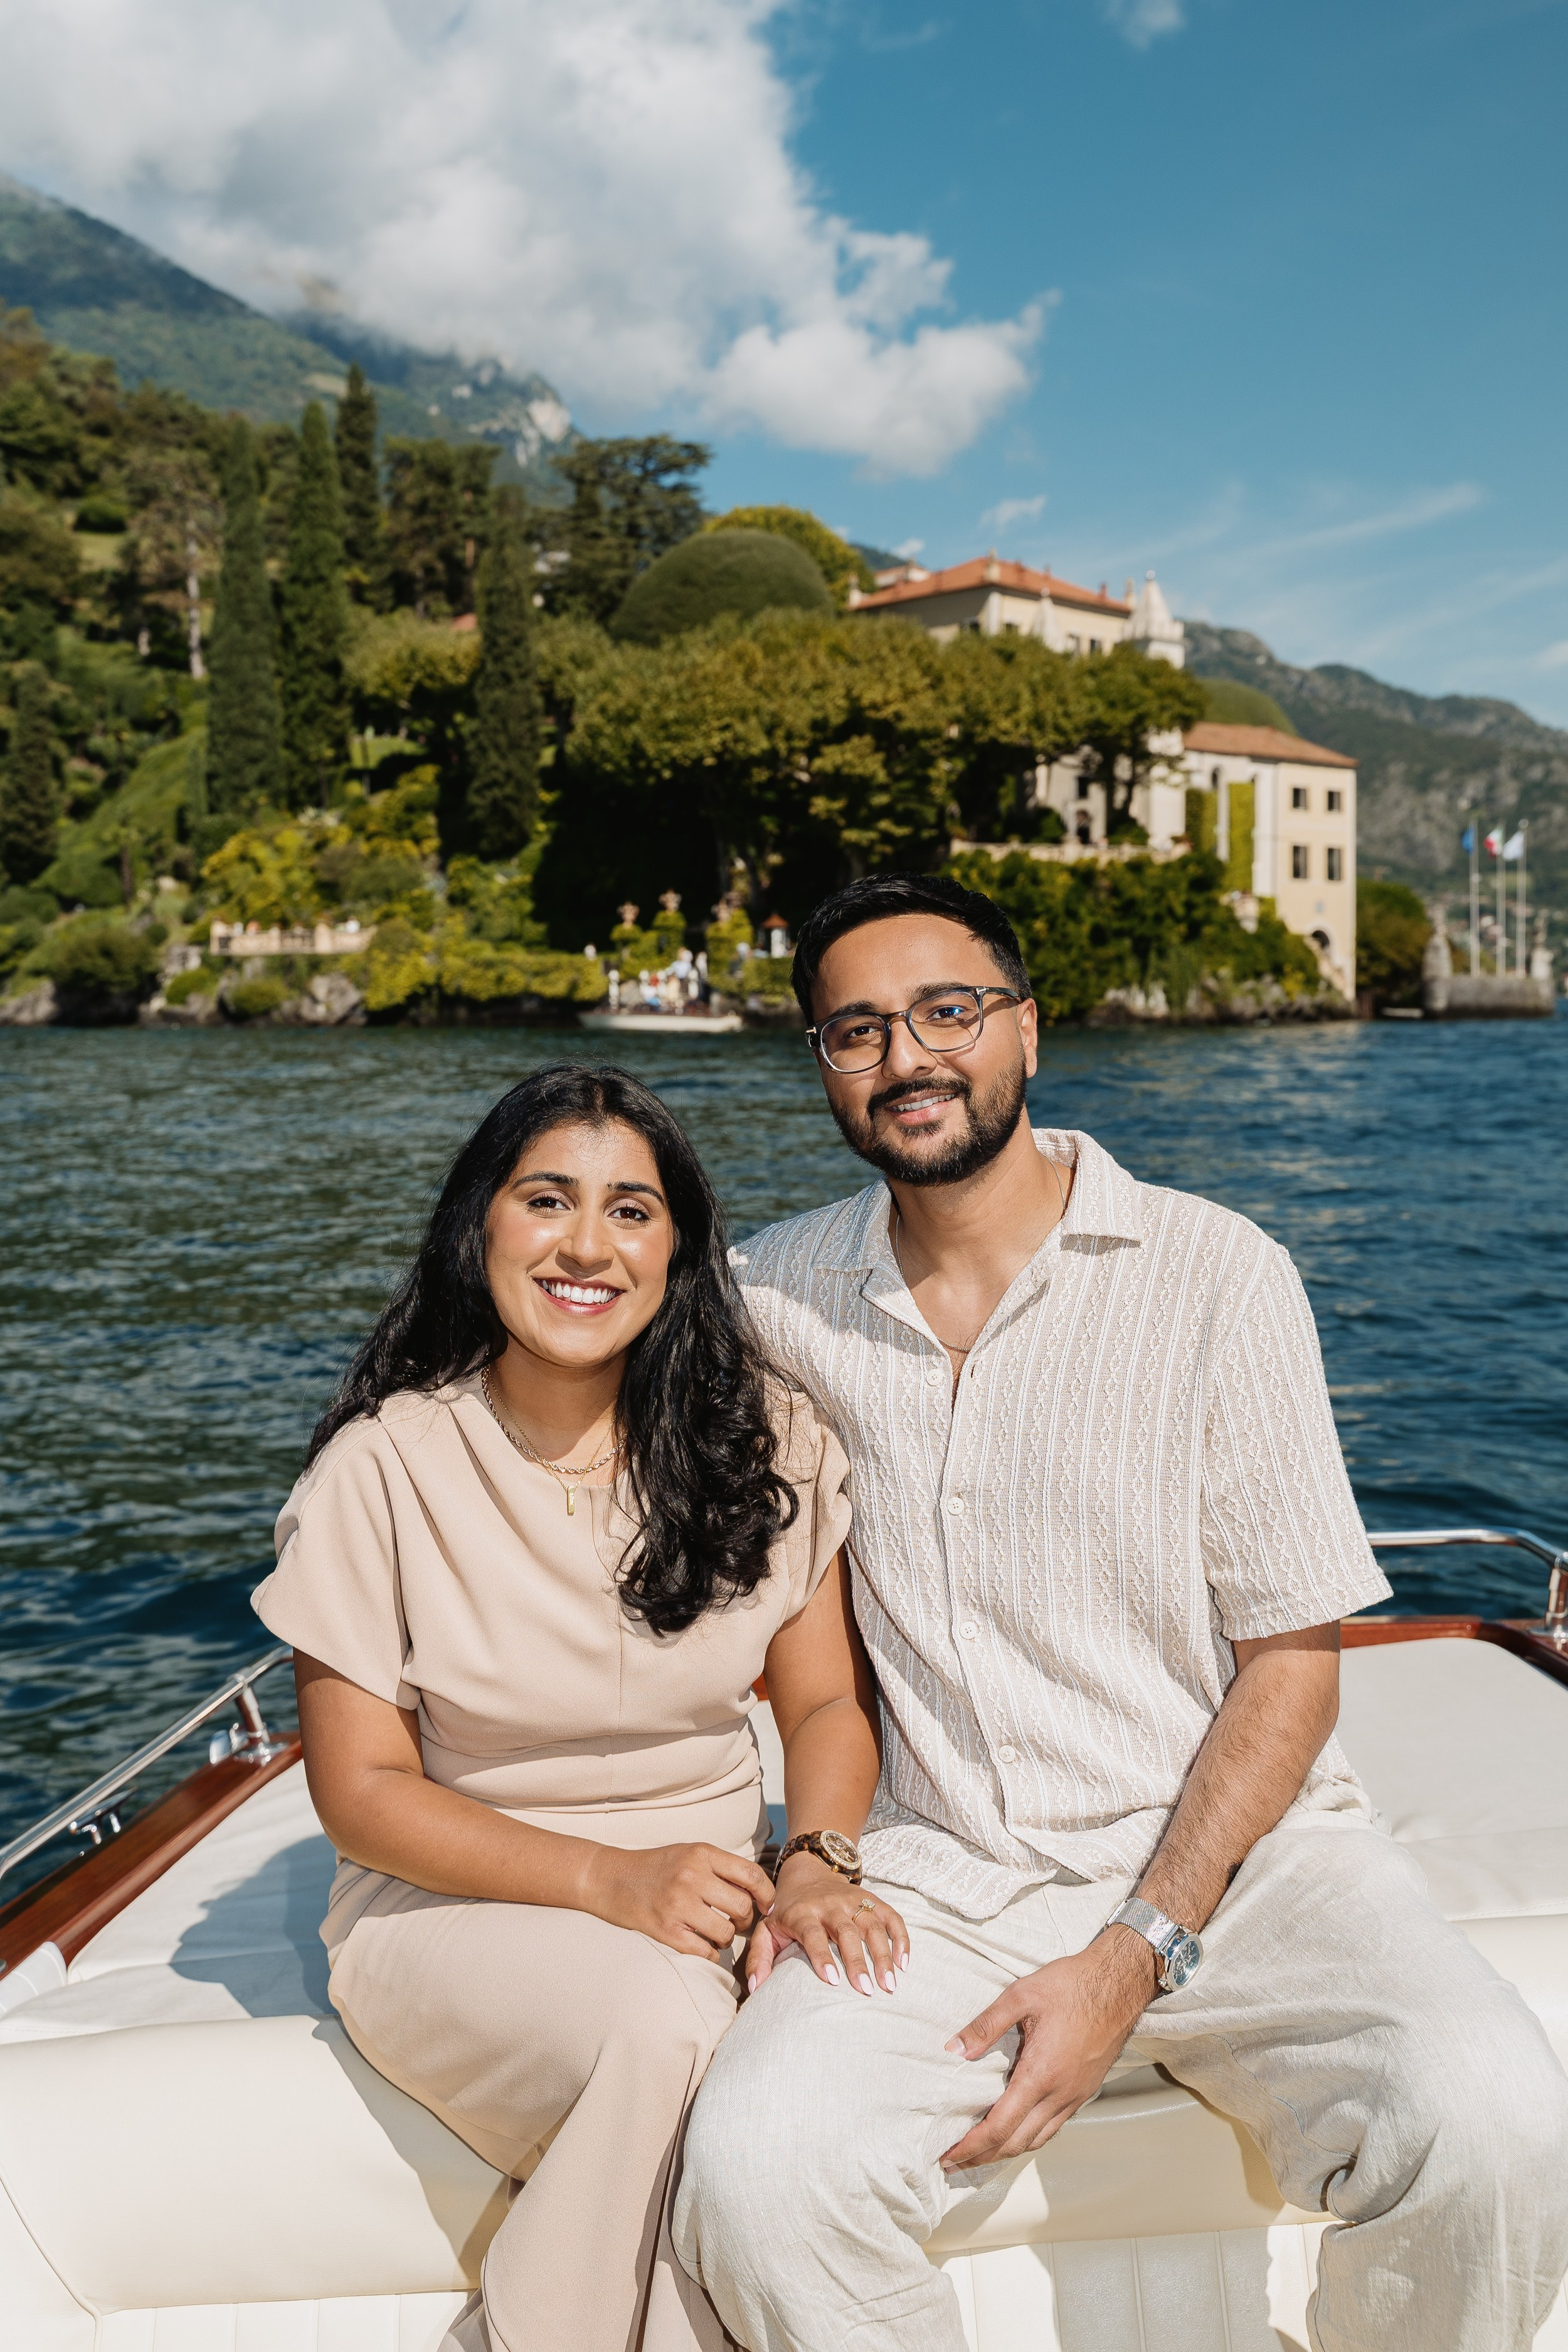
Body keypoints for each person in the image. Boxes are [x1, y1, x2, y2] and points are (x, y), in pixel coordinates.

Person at [675, 874, 1568, 2352]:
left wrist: (1135, 1948)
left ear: (1025, 1030)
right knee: (755, 2177)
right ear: (821, 1061)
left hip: (1245, 1864)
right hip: (938, 1871)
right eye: (856, 1030)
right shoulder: (767, 1301)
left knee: (1495, 2119)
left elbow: (1290, 1667)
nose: (906, 1057)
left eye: (947, 1011)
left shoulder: (1218, 1277)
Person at [252, 1063, 908, 2352]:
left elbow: (827, 1701)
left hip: (716, 1900)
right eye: (546, 1199)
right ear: (479, 1225)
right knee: (670, 2028)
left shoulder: (764, 1441)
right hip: (450, 1908)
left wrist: (818, 1861)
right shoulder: (382, 1468)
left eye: (630, 1211)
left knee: (794, 2064)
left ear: (677, 1250)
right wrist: (612, 1882)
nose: (585, 1247)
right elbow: (362, 1797)